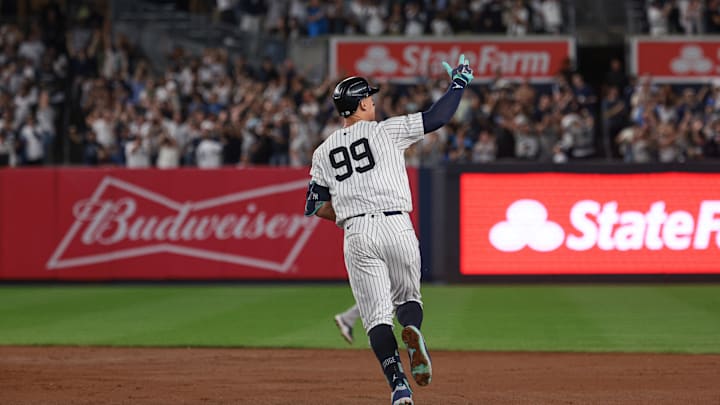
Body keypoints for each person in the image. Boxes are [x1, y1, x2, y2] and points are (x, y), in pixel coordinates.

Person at [305, 55, 474, 405]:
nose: (374, 101)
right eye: (370, 97)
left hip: (357, 232)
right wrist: (458, 83)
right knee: (409, 300)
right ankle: (412, 329)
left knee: (376, 320)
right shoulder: (387, 130)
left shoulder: (322, 152)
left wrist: (349, 215)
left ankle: (399, 386)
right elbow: (440, 116)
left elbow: (315, 205)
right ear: (363, 102)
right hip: (397, 224)